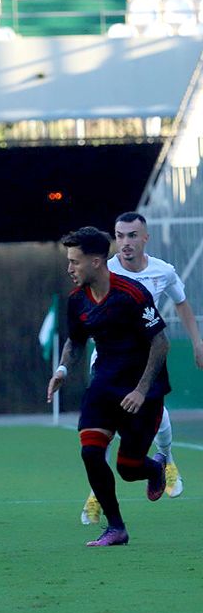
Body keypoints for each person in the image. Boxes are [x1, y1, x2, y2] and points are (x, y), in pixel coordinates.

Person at [47, 226, 169, 547]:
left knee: (128, 468)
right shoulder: (78, 301)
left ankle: (154, 467)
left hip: (144, 390)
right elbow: (76, 342)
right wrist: (62, 369)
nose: (69, 268)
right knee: (90, 451)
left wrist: (142, 389)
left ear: (97, 262)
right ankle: (116, 528)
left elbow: (160, 343)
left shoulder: (131, 295)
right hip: (104, 386)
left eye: (75, 261)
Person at [78, 212, 198, 524]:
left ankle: (167, 461)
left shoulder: (163, 271)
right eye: (120, 235)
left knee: (155, 418)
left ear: (145, 238)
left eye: (133, 235)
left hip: (145, 360)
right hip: (106, 363)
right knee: (98, 431)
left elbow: (182, 302)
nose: (126, 242)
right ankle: (97, 495)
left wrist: (197, 341)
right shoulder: (104, 270)